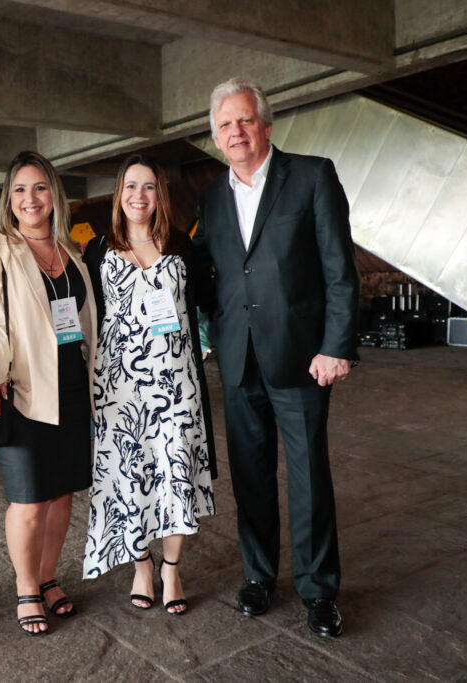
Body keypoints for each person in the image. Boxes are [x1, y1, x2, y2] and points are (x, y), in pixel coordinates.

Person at [192, 78, 359, 638]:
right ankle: (259, 576)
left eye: (244, 121)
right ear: (216, 139)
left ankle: (318, 589)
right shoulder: (212, 197)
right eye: (224, 126)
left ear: (265, 126)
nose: (235, 132)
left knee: (310, 476)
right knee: (251, 477)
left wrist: (336, 345)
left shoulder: (312, 176)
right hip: (238, 360)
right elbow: (209, 274)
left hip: (302, 359)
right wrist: (207, 330)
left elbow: (339, 269)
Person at [0, 151, 96, 637]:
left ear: (54, 195)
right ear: (8, 200)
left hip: (73, 387)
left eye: (39, 188)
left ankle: (50, 577)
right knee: (30, 498)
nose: (30, 199)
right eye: (19, 189)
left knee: (61, 495)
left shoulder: (71, 252)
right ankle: (26, 588)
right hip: (19, 389)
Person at [81, 155, 216, 615]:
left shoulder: (182, 245)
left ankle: (171, 570)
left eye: (149, 187)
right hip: (118, 388)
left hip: (176, 384)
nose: (139, 196)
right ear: (119, 194)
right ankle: (140, 565)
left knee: (175, 468)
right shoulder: (97, 250)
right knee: (129, 476)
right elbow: (83, 315)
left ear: (161, 194)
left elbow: (210, 303)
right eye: (130, 187)